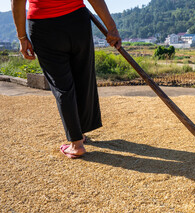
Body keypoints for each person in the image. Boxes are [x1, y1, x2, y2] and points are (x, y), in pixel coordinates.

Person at [11, 0, 121, 158]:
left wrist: (22, 37)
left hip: (44, 25)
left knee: (62, 85)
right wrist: (112, 28)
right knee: (83, 77)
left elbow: (17, 1)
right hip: (77, 21)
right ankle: (79, 133)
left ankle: (77, 143)